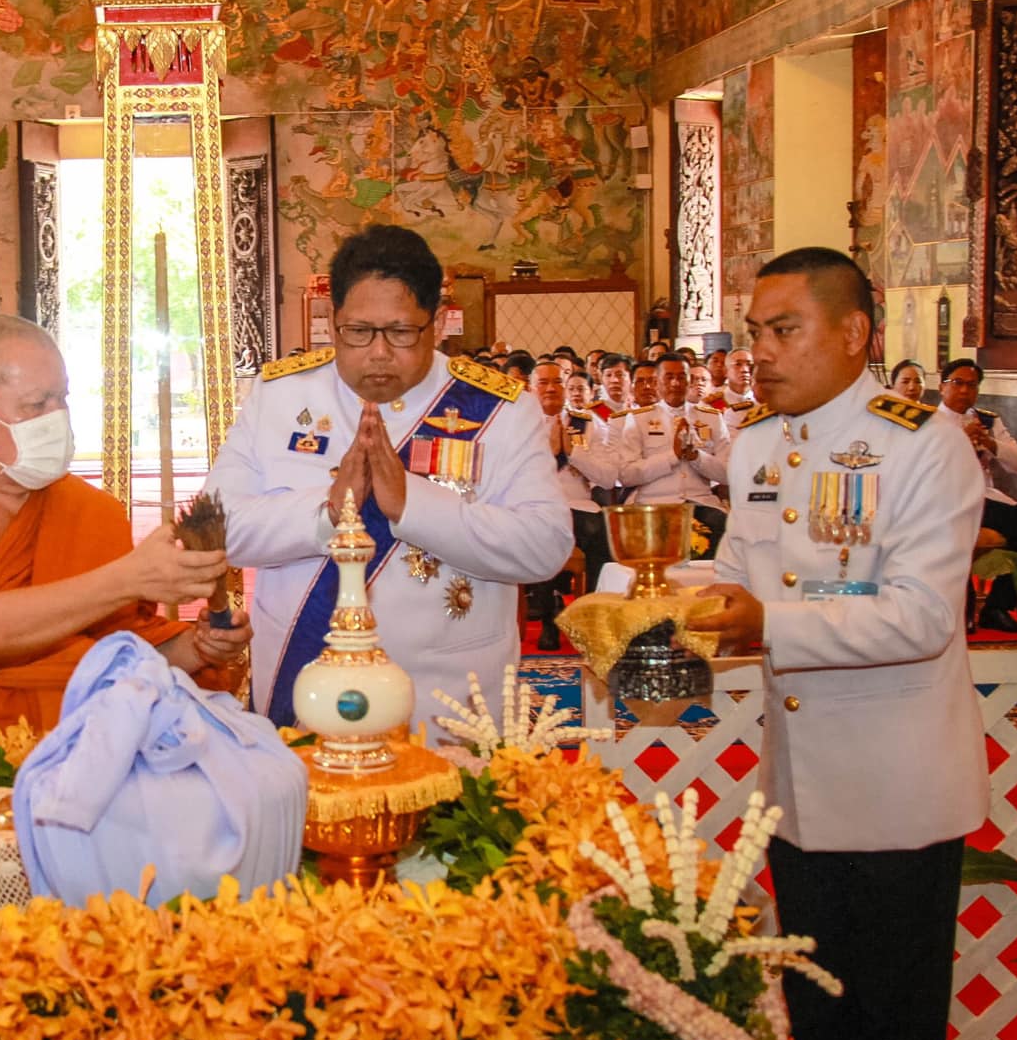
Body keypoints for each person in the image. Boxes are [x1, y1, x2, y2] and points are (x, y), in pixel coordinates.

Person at [688, 247, 985, 1040]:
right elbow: (733, 577)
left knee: (888, 1029)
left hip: (896, 787)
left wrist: (770, 622)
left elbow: (921, 616)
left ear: (855, 333)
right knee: (818, 1018)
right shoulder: (755, 447)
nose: (760, 353)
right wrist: (643, 599)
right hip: (802, 789)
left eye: (785, 331)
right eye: (755, 333)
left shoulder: (923, 443)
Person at [207, 225, 572, 725]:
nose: (378, 352)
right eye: (358, 332)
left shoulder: (501, 411)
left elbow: (546, 547)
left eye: (401, 333)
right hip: (303, 697)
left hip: (444, 708)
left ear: (437, 324)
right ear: (333, 321)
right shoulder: (281, 397)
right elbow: (216, 529)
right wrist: (327, 512)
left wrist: (412, 505)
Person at [0, 314, 247, 748]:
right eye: (36, 405)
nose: (57, 417)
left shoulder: (89, 509)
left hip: (97, 739)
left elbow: (115, 656)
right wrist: (128, 578)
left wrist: (196, 648)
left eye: (62, 398)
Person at [938, 358, 1017, 633]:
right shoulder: (927, 421)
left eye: (972, 385)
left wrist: (990, 442)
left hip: (981, 495)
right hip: (941, 498)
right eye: (957, 383)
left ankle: (998, 606)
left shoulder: (986, 421)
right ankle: (961, 604)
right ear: (942, 387)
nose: (964, 390)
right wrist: (960, 438)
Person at [524, 360, 615, 650]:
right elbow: (510, 475)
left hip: (580, 506)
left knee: (602, 533)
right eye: (543, 383)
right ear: (531, 388)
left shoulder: (588, 423)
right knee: (540, 533)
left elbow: (608, 477)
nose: (551, 389)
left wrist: (574, 453)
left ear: (566, 387)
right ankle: (548, 616)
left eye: (557, 383)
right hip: (536, 505)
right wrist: (550, 455)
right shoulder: (519, 425)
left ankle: (589, 617)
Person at [611, 355, 734, 554]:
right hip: (656, 505)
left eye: (681, 377)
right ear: (657, 382)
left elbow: (729, 474)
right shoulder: (639, 419)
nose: (675, 383)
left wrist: (697, 457)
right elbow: (627, 475)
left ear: (689, 381)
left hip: (701, 504)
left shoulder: (711, 418)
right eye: (669, 377)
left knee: (724, 528)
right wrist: (672, 457)